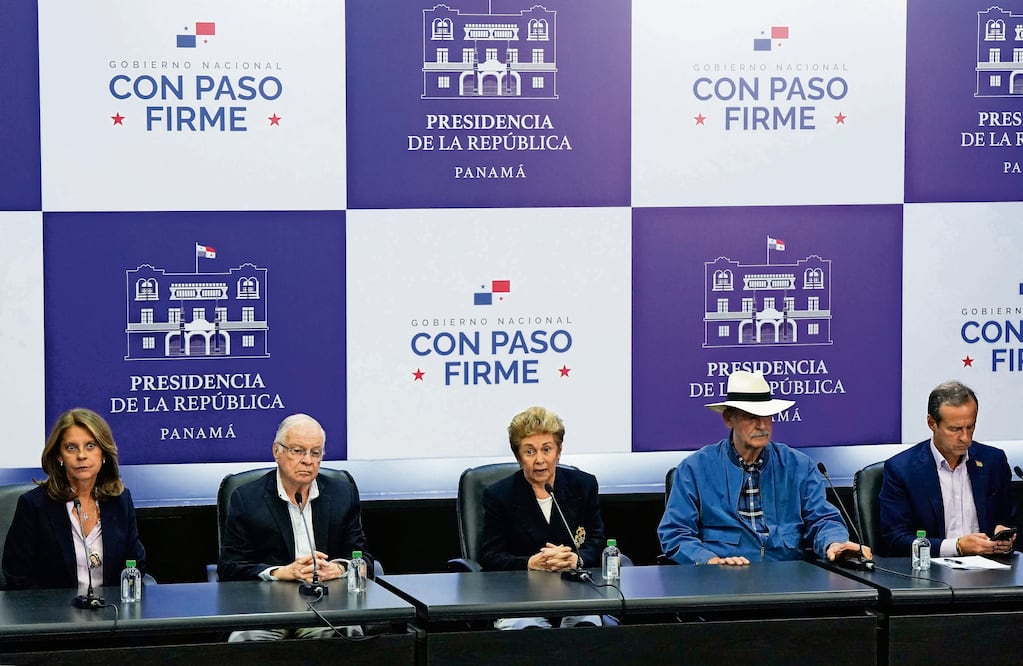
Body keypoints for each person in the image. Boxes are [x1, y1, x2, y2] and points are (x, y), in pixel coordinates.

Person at [658, 371, 868, 566]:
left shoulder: (799, 466)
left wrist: (833, 542)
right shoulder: (695, 469)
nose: (762, 425)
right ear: (728, 418)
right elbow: (676, 533)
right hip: (721, 582)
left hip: (787, 579)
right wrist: (709, 562)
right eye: (751, 416)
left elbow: (822, 519)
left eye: (767, 416)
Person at [218, 413, 372, 640]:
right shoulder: (247, 498)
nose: (308, 460)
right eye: (298, 451)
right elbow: (229, 568)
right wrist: (280, 572)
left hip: (325, 607)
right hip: (265, 608)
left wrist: (338, 568)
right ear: (276, 452)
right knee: (246, 638)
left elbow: (363, 557)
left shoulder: (342, 494)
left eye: (315, 452)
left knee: (344, 634)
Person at [480, 406, 604, 629]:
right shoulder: (499, 495)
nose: (539, 460)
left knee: (586, 627)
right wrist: (530, 562)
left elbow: (597, 541)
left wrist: (577, 559)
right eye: (530, 451)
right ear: (518, 456)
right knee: (530, 634)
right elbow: (491, 556)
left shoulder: (583, 485)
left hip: (576, 592)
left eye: (546, 449)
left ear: (558, 451)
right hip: (520, 595)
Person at [2, 408, 146, 591]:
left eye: (91, 446)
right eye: (71, 448)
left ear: (103, 453)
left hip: (111, 612)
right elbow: (17, 576)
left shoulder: (119, 501)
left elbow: (135, 563)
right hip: (53, 614)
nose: (81, 455)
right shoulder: (34, 506)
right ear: (59, 456)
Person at [879, 380, 1016, 557]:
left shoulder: (993, 461)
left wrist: (1004, 534)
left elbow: (1009, 521)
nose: (965, 438)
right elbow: (895, 540)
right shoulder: (902, 470)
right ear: (932, 423)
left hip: (990, 570)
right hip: (931, 575)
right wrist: (956, 547)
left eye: (970, 427)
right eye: (955, 429)